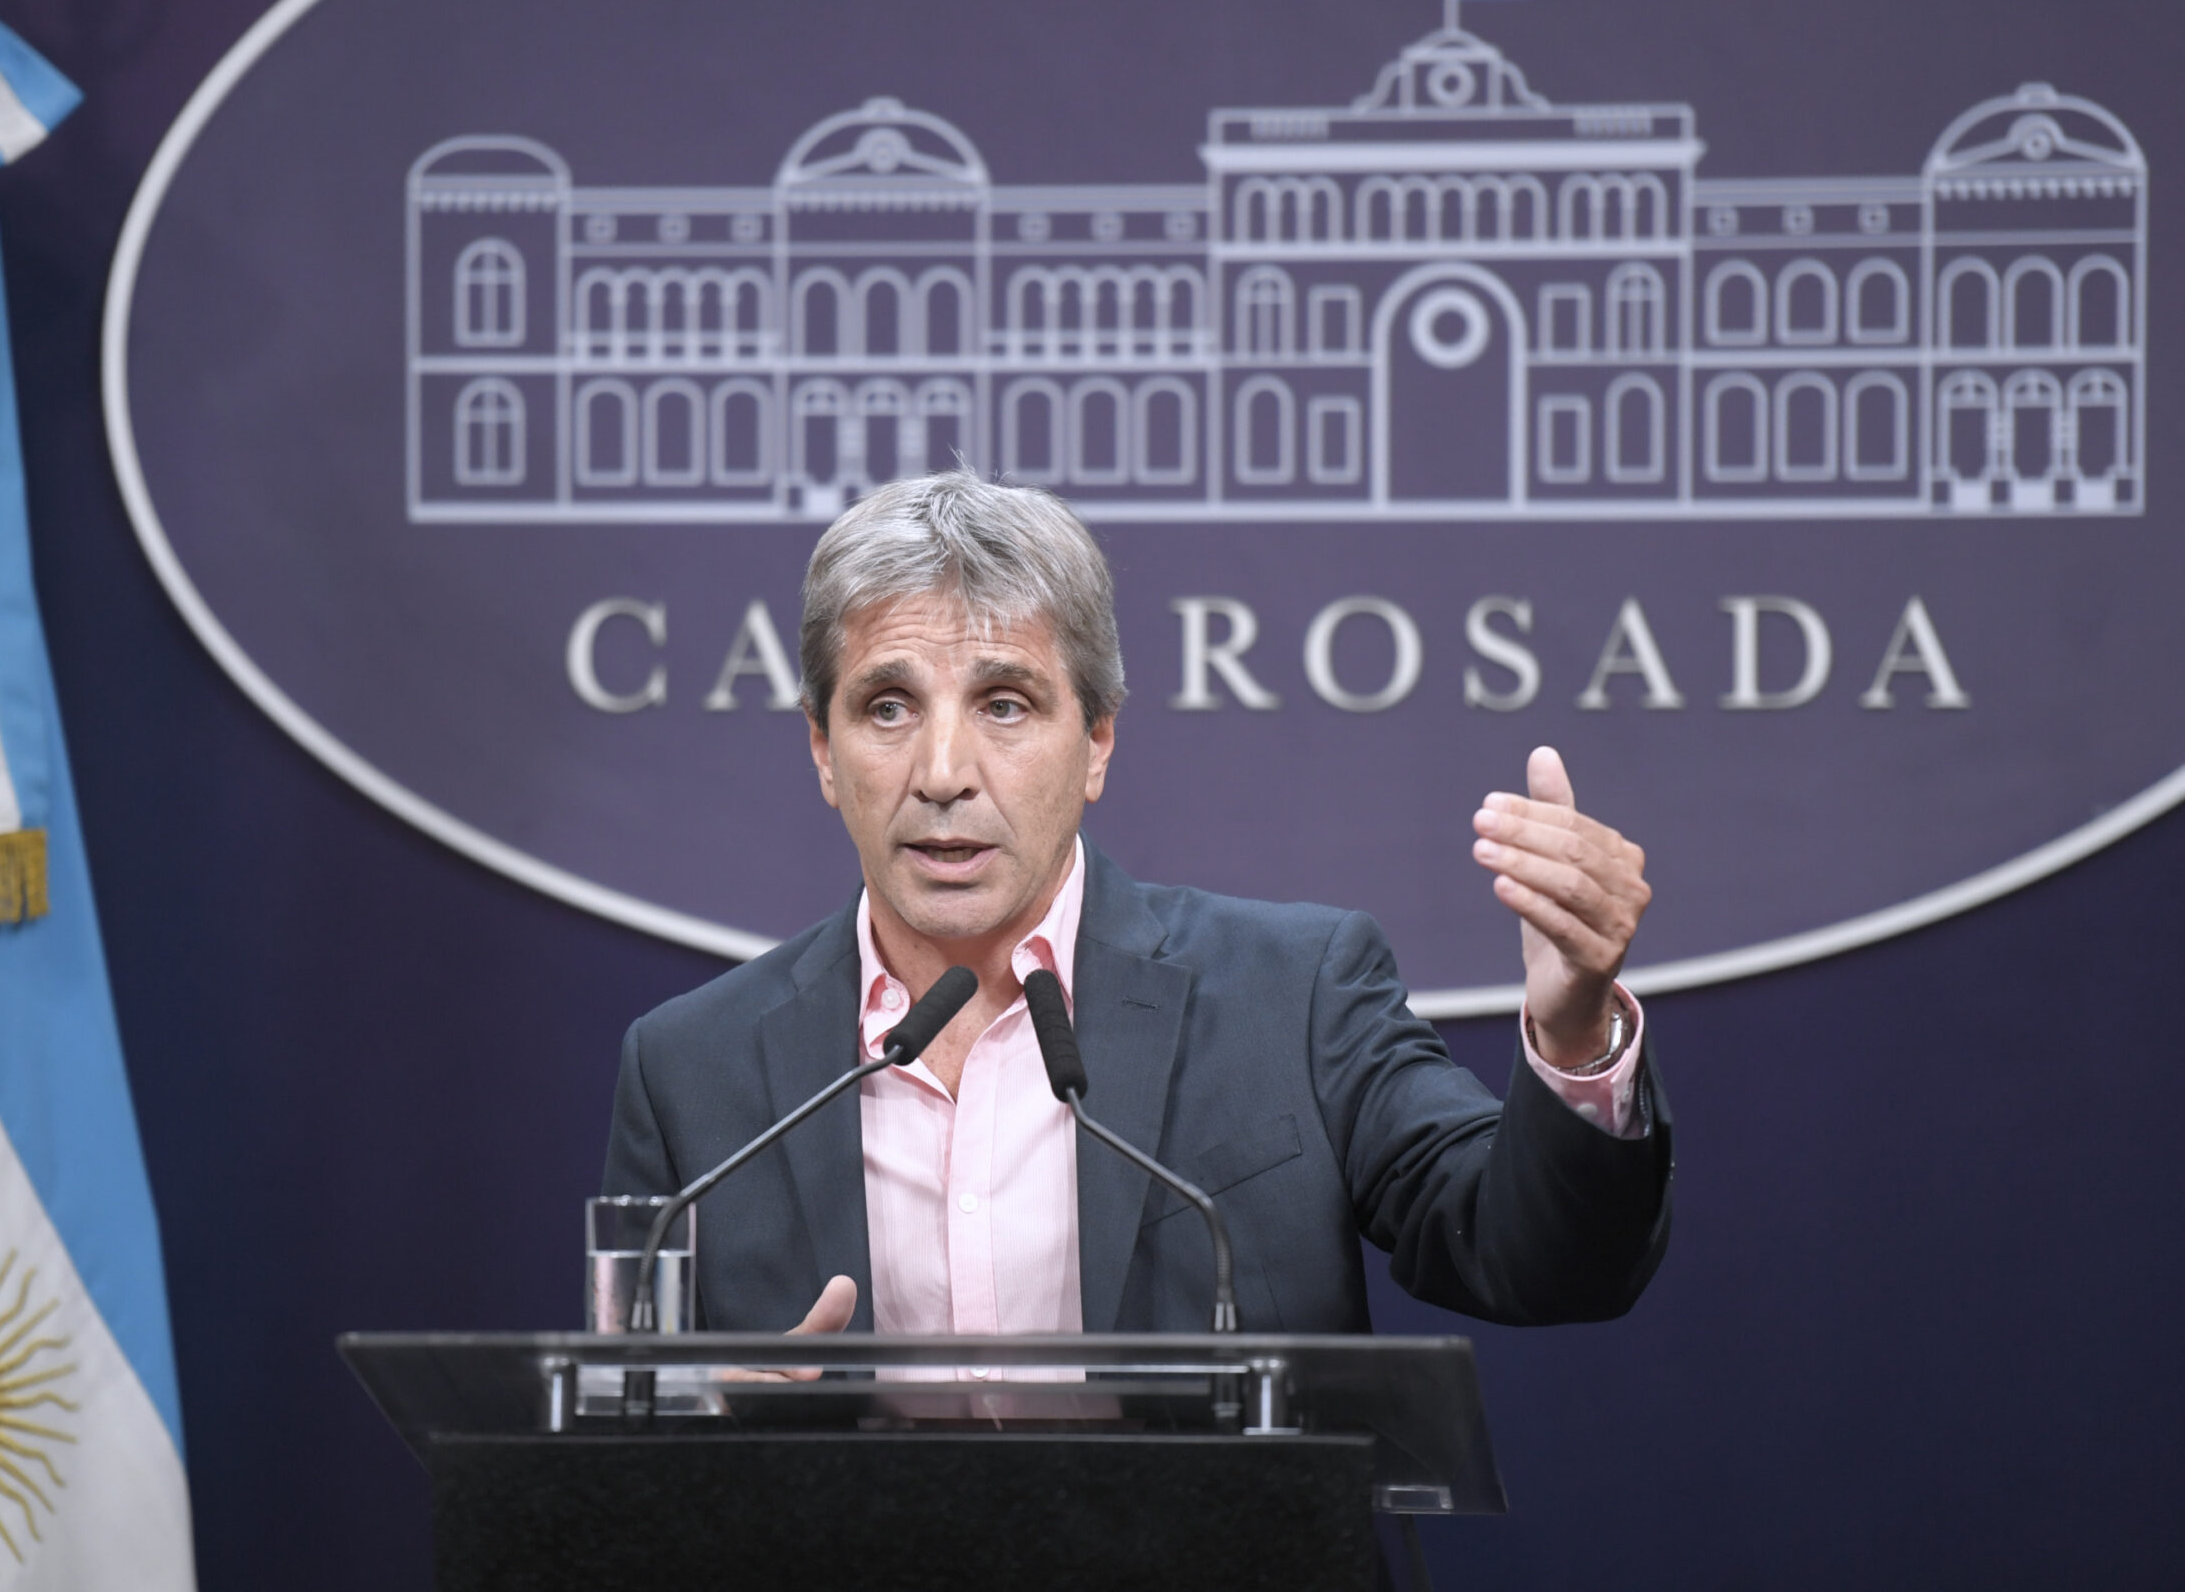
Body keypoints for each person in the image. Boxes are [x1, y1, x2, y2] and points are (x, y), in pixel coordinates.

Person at [602, 471, 1668, 1337]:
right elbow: (617, 1449)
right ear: (822, 751)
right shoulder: (690, 1070)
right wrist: (701, 1430)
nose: (942, 773)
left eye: (1004, 704)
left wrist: (1576, 1031)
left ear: (1097, 741)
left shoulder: (1291, 998)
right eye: (887, 707)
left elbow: (1541, 1263)